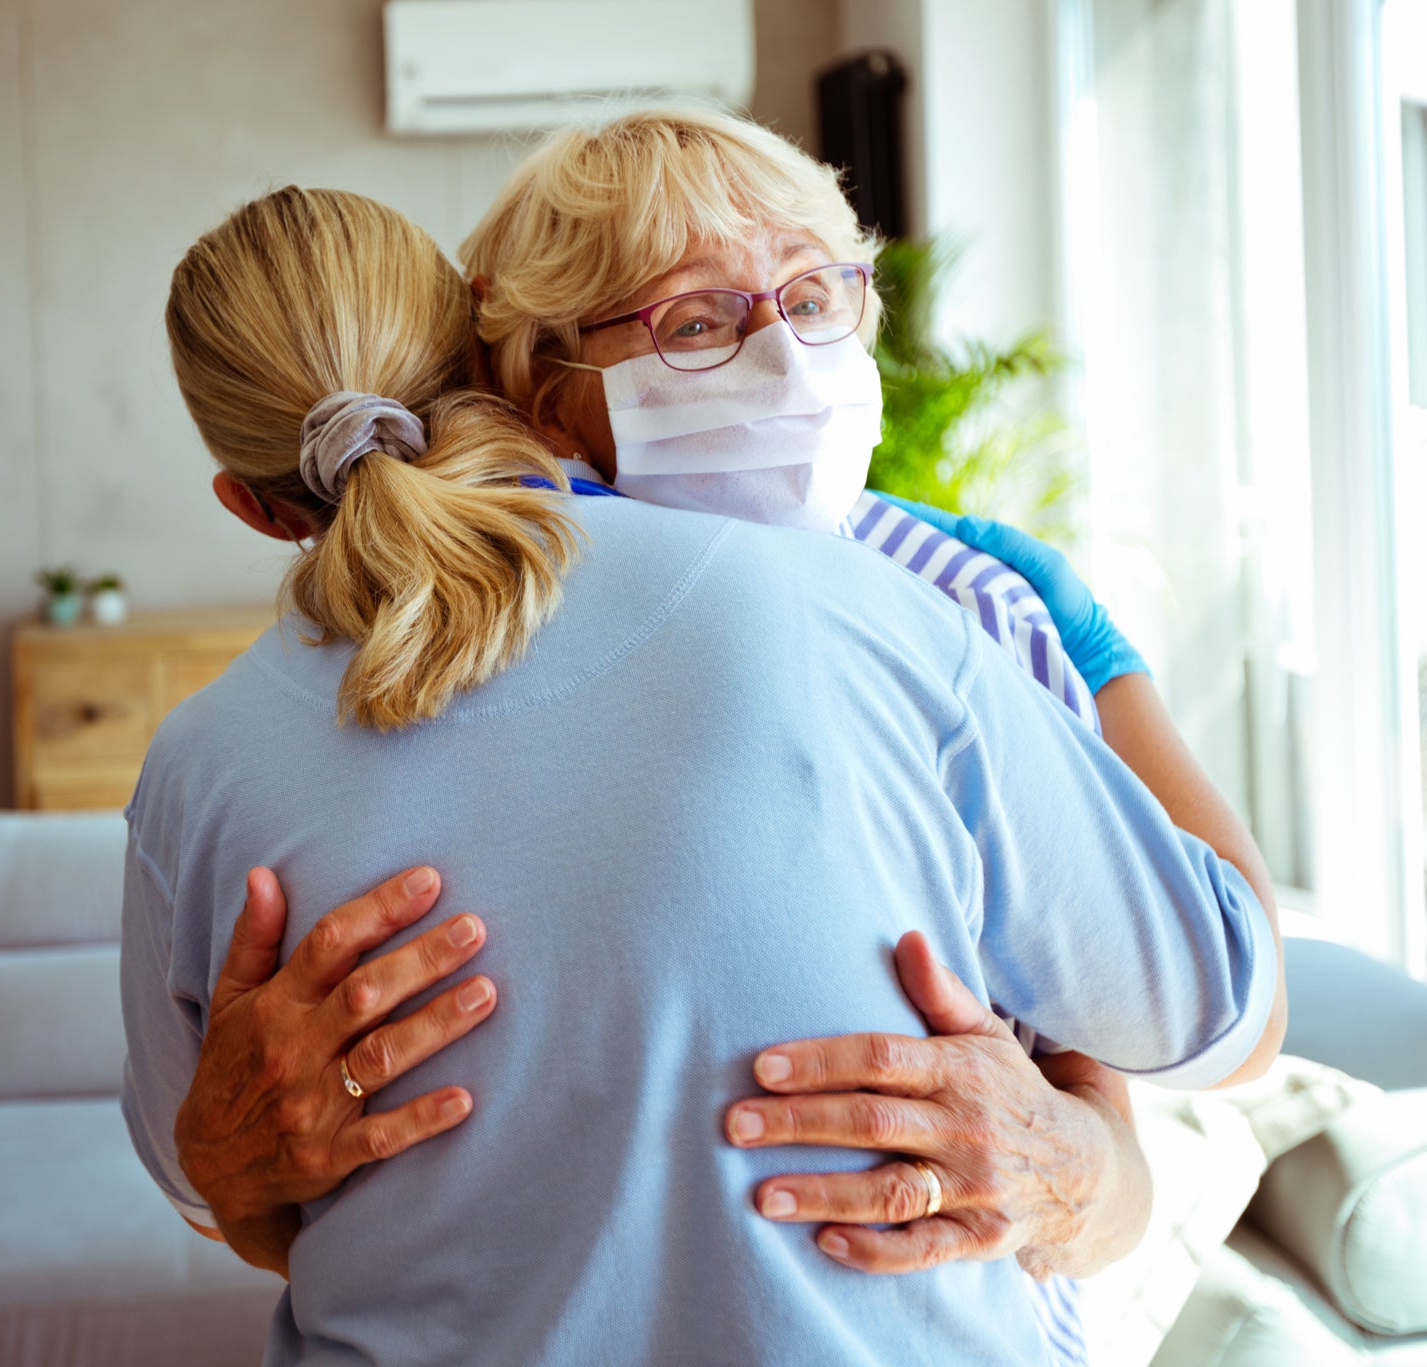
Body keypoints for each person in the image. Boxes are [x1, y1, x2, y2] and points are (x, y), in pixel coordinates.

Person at [156, 107, 1284, 1349]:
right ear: (529, 384)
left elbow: (1181, 1025)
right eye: (692, 325)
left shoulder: (955, 596)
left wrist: (1085, 1164)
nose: (787, 367)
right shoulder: (859, 614)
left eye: (816, 298)